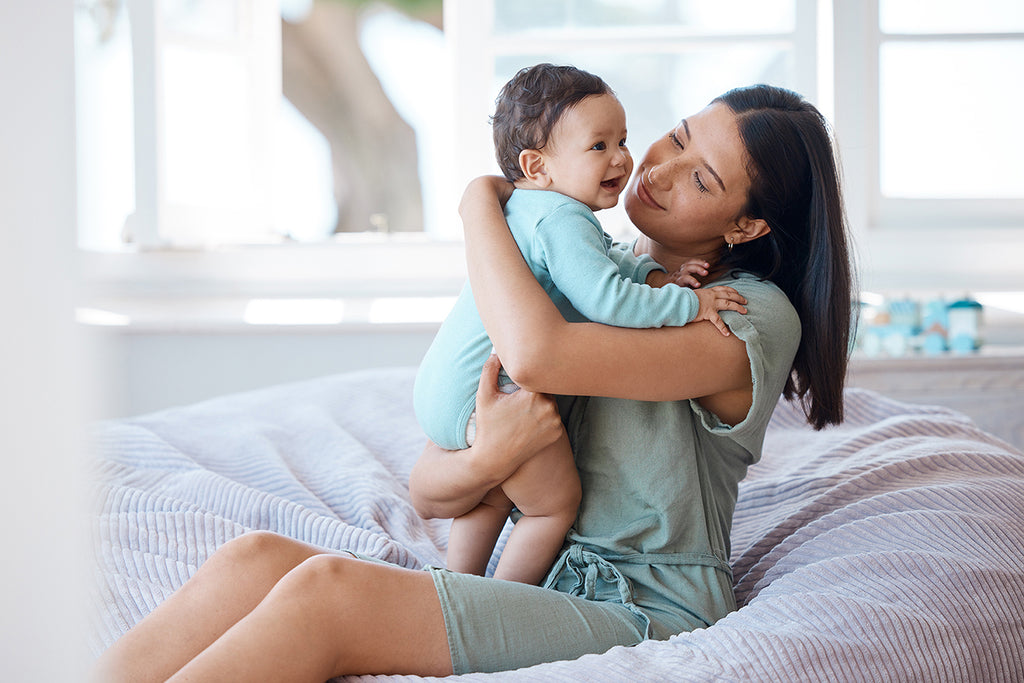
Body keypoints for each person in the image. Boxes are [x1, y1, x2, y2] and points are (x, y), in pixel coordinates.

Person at [89, 83, 854, 682]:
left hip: (639, 604)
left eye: (701, 176)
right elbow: (431, 487)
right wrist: (490, 458)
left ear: (746, 227)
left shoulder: (748, 316)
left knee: (326, 595)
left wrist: (480, 207)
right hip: (535, 570)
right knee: (253, 558)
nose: (655, 169)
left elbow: (537, 356)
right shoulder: (598, 266)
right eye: (677, 136)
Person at [413, 63, 744, 585]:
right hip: (494, 390)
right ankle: (497, 601)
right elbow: (607, 298)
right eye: (599, 146)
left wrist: (659, 279)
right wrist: (690, 305)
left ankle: (455, 583)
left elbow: (607, 263)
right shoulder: (564, 219)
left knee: (494, 493)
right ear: (537, 166)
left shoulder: (526, 210)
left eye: (623, 139)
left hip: (446, 387)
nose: (624, 159)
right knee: (552, 505)